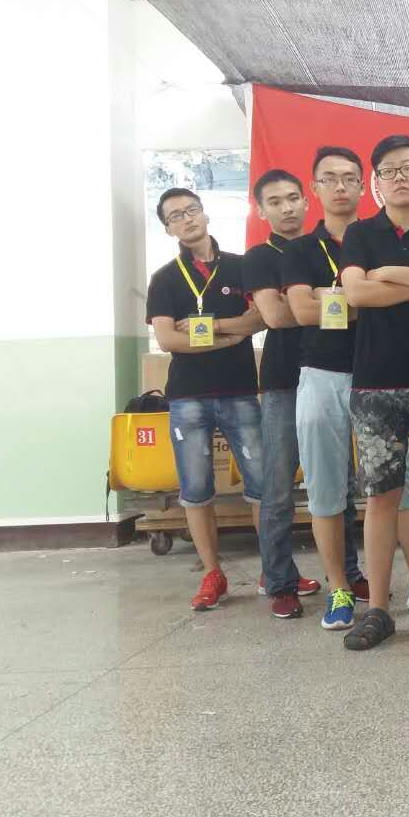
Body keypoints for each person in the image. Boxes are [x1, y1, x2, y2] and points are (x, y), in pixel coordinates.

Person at [283, 147, 409, 632]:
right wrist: (378, 293)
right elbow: (303, 311)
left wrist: (366, 292)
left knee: (399, 487)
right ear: (314, 189)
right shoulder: (301, 250)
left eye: (350, 177)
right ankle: (340, 589)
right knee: (325, 488)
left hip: (384, 375)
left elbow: (391, 298)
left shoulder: (379, 237)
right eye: (329, 178)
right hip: (323, 375)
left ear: (366, 185)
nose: (341, 186)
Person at [339, 135, 409, 651]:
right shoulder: (361, 234)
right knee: (380, 497)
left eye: (408, 167)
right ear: (376, 181)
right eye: (388, 170)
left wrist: (393, 275)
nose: (400, 177)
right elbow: (357, 293)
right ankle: (378, 610)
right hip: (376, 384)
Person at [146, 188, 266, 611]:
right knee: (196, 489)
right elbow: (167, 339)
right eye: (176, 216)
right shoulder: (164, 278)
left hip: (240, 391)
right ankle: (213, 574)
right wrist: (232, 333)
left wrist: (214, 327)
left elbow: (261, 318)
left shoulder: (241, 266)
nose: (187, 219)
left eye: (191, 210)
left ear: (205, 214)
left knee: (262, 484)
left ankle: (273, 569)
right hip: (188, 398)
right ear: (168, 229)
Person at [242, 170, 326, 618]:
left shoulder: (323, 247)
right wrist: (322, 305)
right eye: (275, 202)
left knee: (336, 482)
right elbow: (274, 317)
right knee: (277, 488)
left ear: (307, 201)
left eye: (293, 198)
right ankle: (279, 582)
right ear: (261, 210)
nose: (287, 207)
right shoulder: (259, 257)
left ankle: (349, 574)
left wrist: (314, 306)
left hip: (331, 372)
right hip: (282, 382)